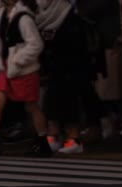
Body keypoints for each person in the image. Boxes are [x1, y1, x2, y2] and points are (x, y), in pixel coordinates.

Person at [0, 0, 51, 157]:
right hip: (5, 66)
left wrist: (17, 60)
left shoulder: (24, 18)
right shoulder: (1, 15)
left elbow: (36, 44)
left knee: (31, 106)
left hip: (22, 68)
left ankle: (43, 141)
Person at [38, 0, 89, 154]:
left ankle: (74, 138)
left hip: (69, 65)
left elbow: (76, 44)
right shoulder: (39, 15)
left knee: (69, 101)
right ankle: (53, 136)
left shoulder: (68, 14)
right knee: (50, 101)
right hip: (50, 65)